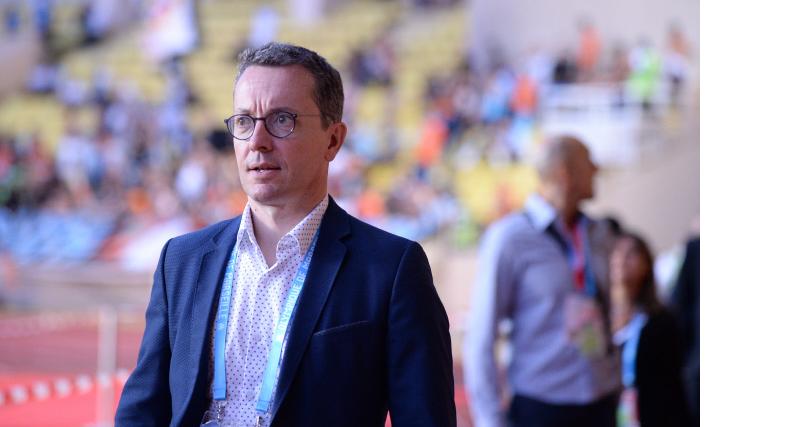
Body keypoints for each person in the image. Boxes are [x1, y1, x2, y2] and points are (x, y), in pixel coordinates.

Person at [116, 42, 456, 427]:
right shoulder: (182, 260)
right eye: (244, 121)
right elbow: (141, 412)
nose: (257, 141)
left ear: (333, 140)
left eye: (281, 120)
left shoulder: (390, 270)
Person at [464, 135, 620, 427]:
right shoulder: (509, 238)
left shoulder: (600, 233)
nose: (596, 169)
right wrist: (490, 420)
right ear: (564, 173)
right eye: (588, 161)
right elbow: (482, 336)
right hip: (542, 407)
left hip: (600, 401)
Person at [610, 232, 690, 427]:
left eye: (631, 254)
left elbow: (671, 386)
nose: (622, 260)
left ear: (646, 265)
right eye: (617, 253)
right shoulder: (598, 317)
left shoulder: (660, 321)